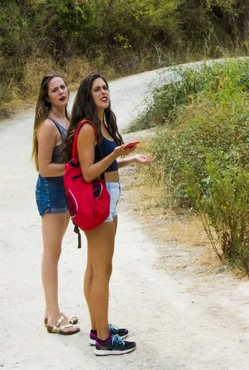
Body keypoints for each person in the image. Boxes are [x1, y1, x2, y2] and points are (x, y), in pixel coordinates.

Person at [64, 72, 155, 356]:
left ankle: (97, 329)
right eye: (97, 89)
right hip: (98, 199)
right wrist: (115, 154)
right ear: (87, 96)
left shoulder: (104, 123)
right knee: (102, 271)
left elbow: (107, 165)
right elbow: (90, 172)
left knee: (96, 268)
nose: (104, 92)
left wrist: (128, 158)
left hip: (110, 197)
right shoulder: (87, 128)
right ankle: (104, 340)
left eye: (105, 87)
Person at [33, 73, 80, 335]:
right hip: (51, 193)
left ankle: (53, 310)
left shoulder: (67, 119)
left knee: (56, 252)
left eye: (63, 86)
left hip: (64, 192)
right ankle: (53, 317)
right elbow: (44, 169)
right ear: (47, 96)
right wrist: (74, 168)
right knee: (51, 255)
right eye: (55, 89)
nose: (61, 91)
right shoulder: (49, 126)